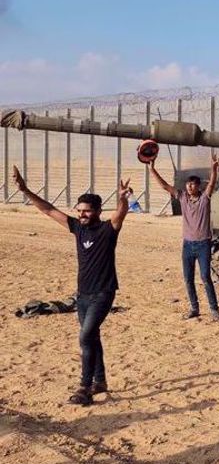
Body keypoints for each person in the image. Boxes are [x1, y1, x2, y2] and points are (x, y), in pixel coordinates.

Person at [12, 165, 132, 406]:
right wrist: (25, 190)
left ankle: (84, 387)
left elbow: (120, 214)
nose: (82, 215)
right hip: (83, 295)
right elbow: (48, 209)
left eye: (87, 211)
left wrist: (122, 200)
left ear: (98, 211)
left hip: (103, 294)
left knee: (85, 337)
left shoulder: (107, 230)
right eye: (79, 211)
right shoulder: (78, 229)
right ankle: (100, 381)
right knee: (92, 337)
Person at [149, 154, 219, 321]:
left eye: (193, 184)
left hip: (203, 244)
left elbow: (211, 184)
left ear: (198, 186)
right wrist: (152, 169)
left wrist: (213, 169)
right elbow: (165, 186)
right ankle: (194, 308)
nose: (189, 187)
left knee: (205, 277)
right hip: (187, 245)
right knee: (188, 279)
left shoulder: (205, 198)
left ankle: (214, 309)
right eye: (188, 184)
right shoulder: (182, 197)